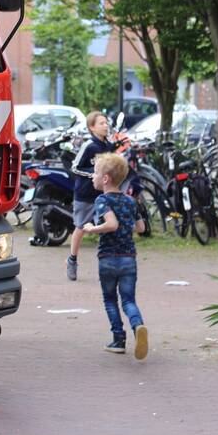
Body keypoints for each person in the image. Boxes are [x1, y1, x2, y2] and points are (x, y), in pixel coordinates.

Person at [81, 152, 149, 359]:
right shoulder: (130, 201)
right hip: (129, 257)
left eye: (94, 173)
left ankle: (118, 339)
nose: (92, 177)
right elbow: (141, 227)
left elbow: (111, 224)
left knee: (110, 299)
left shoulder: (102, 200)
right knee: (128, 300)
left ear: (105, 179)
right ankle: (138, 326)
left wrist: (92, 229)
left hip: (109, 258)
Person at [67, 111, 117, 281]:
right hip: (85, 194)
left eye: (106, 123)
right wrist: (94, 174)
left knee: (108, 228)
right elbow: (75, 167)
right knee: (81, 228)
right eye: (101, 123)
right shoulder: (89, 146)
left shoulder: (109, 146)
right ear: (92, 127)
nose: (105, 126)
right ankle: (72, 260)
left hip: (104, 195)